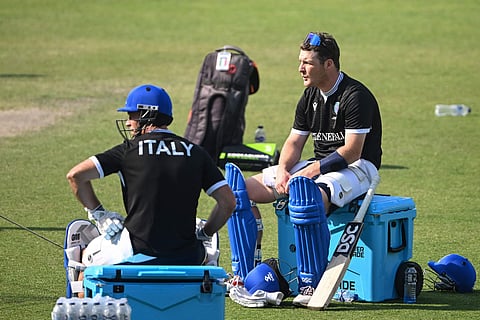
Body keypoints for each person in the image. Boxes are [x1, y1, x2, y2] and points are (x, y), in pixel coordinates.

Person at [244, 32, 382, 306]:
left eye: (307, 62)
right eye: (300, 61)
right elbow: (295, 141)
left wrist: (311, 172)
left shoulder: (356, 96)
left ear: (328, 64)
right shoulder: (310, 96)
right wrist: (284, 169)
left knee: (308, 198)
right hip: (319, 168)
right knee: (240, 191)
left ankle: (311, 283)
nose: (300, 68)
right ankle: (247, 271)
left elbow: (353, 150)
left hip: (359, 167)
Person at [65, 84, 236, 296]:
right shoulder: (197, 153)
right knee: (199, 244)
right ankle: (207, 257)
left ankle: (81, 300)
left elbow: (75, 176)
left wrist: (99, 215)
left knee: (84, 260)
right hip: (188, 254)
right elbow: (228, 202)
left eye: (132, 114)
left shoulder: (128, 150)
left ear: (147, 114)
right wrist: (205, 233)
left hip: (134, 250)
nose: (128, 122)